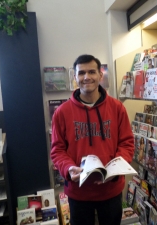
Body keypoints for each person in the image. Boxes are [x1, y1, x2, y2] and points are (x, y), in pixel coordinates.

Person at [51, 54, 134, 225]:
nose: (86, 77)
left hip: (110, 190)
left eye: (91, 72)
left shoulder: (117, 108)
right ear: (75, 78)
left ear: (100, 75)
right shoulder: (62, 112)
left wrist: (115, 170)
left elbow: (126, 143)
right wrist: (68, 168)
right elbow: (57, 150)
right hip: (78, 192)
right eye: (81, 73)